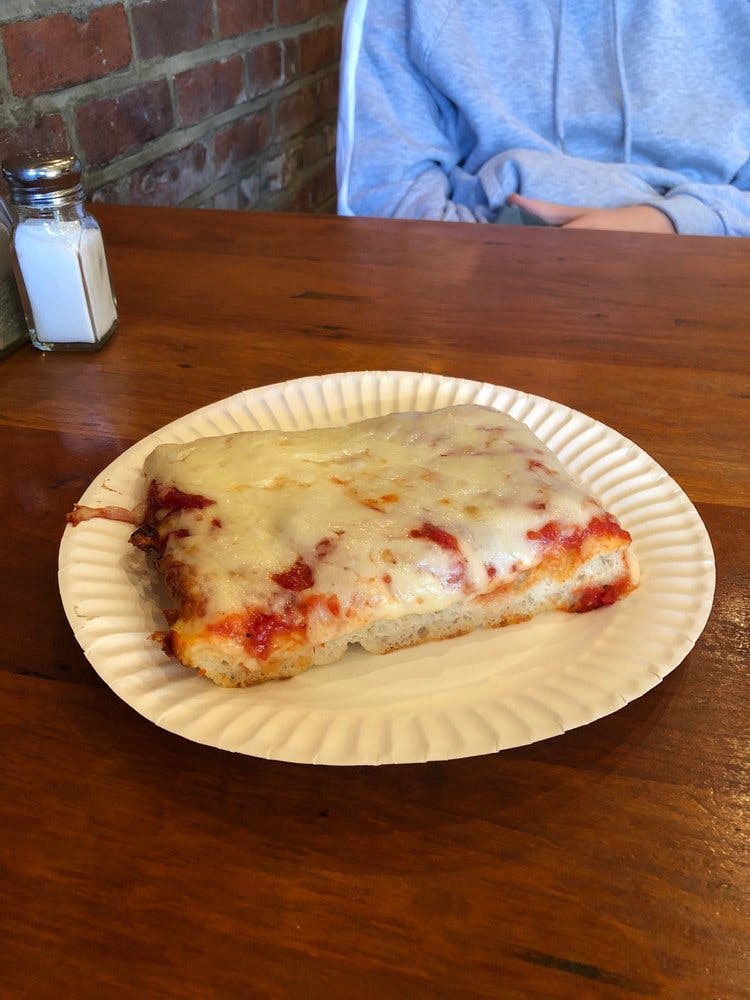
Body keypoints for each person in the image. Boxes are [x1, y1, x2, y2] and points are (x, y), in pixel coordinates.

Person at [337, 0, 750, 235]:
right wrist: (509, 259)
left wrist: (672, 224)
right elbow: (385, 201)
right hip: (482, 286)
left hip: (708, 280)